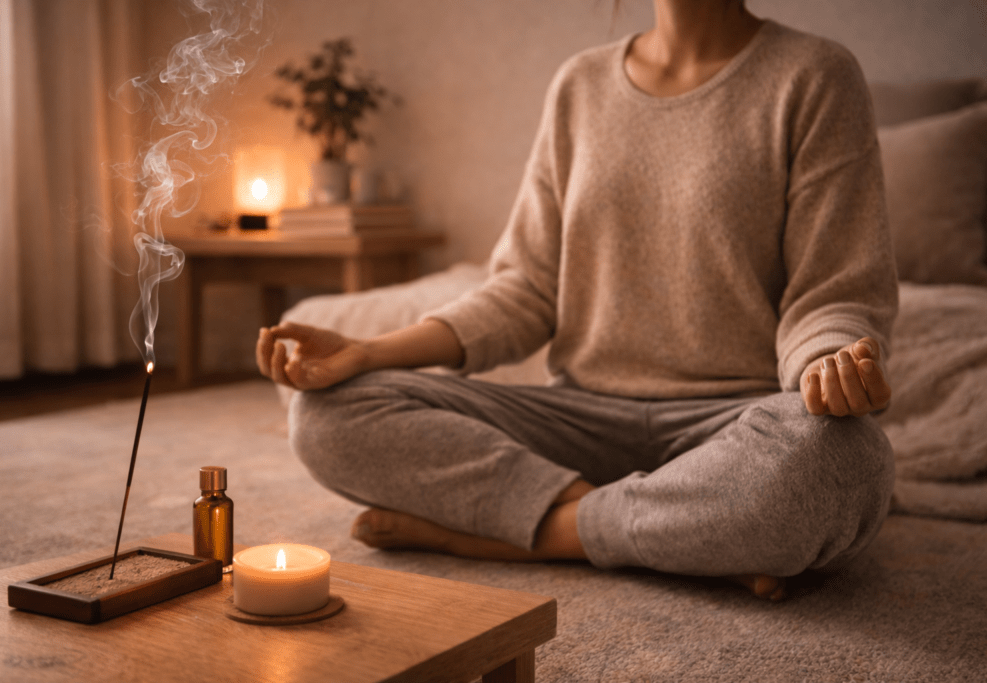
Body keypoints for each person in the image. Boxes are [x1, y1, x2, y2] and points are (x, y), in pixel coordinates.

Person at [256, 0, 898, 601]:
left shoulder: (815, 74)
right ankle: (669, 536)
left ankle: (534, 535)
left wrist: (828, 362)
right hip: (576, 421)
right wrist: (368, 352)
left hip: (730, 424)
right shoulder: (580, 84)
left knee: (845, 457)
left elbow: (832, 289)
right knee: (325, 414)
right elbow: (526, 289)